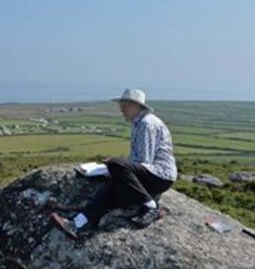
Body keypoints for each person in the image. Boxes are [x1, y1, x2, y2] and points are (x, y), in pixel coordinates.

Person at [50, 88, 176, 237]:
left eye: (126, 105)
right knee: (110, 188)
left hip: (159, 175)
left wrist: (114, 167)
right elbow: (137, 162)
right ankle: (76, 224)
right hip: (151, 176)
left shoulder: (146, 123)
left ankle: (151, 207)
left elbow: (144, 161)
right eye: (121, 104)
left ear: (138, 106)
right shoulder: (139, 122)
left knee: (115, 164)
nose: (122, 108)